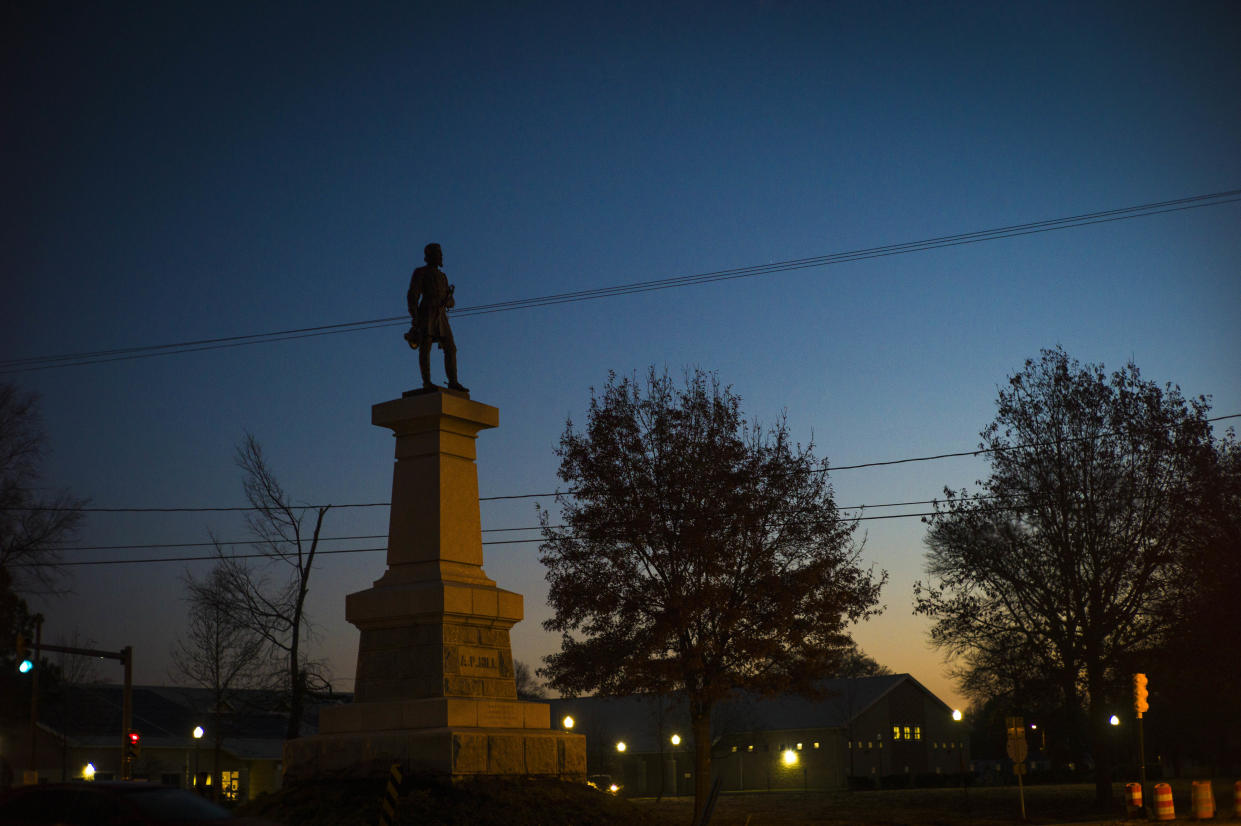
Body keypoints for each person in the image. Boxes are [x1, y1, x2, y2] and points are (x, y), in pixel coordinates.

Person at [406, 243, 467, 392]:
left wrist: (449, 301)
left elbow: (451, 302)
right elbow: (412, 295)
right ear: (429, 256)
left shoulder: (443, 277)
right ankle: (427, 382)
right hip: (427, 311)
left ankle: (453, 381)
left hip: (441, 315)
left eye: (440, 254)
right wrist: (415, 316)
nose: (440, 257)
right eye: (437, 254)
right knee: (425, 346)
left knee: (450, 348)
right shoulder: (420, 272)